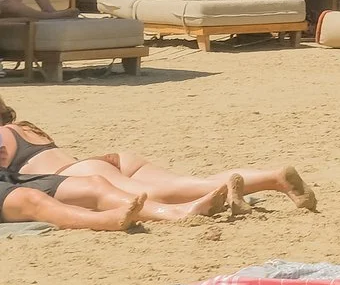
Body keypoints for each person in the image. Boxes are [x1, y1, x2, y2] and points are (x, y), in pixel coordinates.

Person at [0, 96, 315, 232]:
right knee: (183, 185)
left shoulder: (2, 135)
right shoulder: (23, 127)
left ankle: (207, 203)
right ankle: (272, 178)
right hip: (108, 160)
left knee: (154, 198)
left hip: (76, 173)